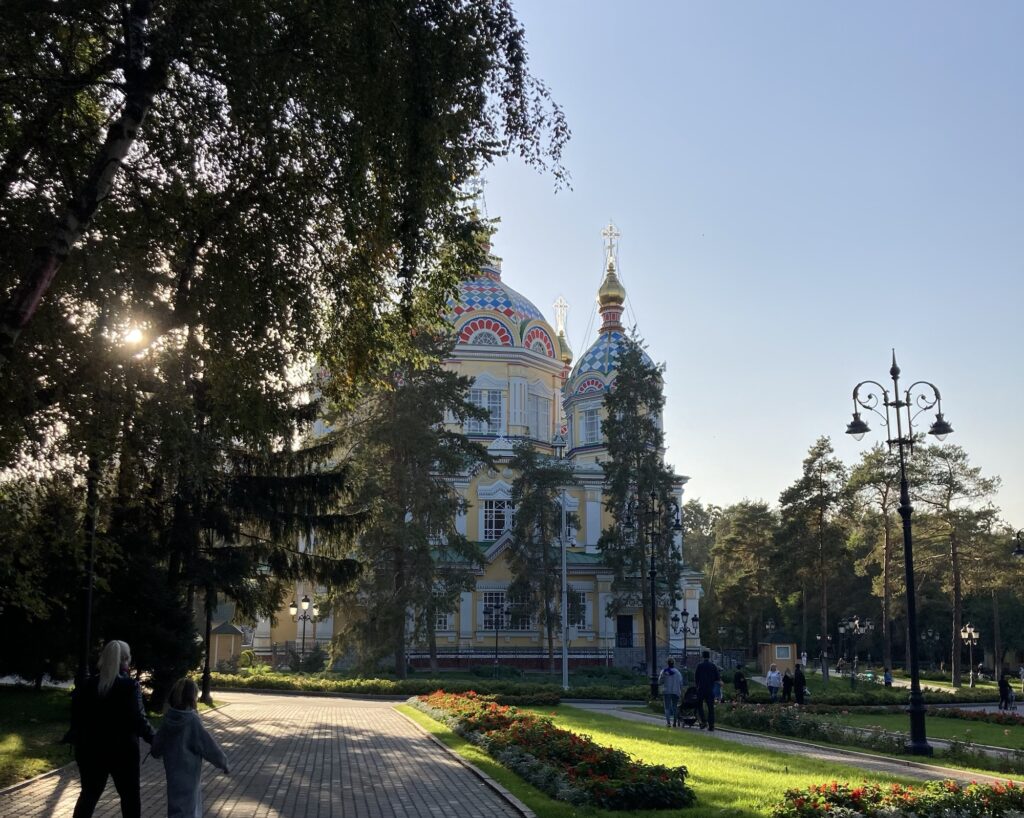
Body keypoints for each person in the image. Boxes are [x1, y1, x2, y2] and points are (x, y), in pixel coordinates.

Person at [69, 640, 154, 818]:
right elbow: (139, 720)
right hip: (123, 751)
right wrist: (155, 740)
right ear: (126, 659)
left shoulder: (89, 684)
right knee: (130, 797)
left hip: (91, 750)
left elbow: (78, 717)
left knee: (88, 795)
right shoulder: (130, 686)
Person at [152, 678, 229, 817]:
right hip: (189, 775)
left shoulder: (168, 719)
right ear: (192, 697)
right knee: (189, 809)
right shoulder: (192, 721)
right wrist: (223, 762)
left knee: (175, 807)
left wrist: (155, 751)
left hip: (172, 774)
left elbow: (157, 746)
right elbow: (208, 746)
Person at [694, 650, 720, 731]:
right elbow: (717, 678)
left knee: (699, 706)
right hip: (710, 689)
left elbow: (696, 678)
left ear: (702, 657)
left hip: (701, 689)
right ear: (709, 657)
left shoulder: (699, 666)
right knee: (710, 708)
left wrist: (697, 686)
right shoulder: (713, 666)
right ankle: (711, 726)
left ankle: (704, 721)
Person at [657, 658, 683, 727]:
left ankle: (668, 723)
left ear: (667, 663)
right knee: (675, 707)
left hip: (667, 691)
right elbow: (681, 683)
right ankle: (674, 722)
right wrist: (681, 691)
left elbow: (660, 681)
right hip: (676, 691)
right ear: (674, 663)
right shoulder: (678, 672)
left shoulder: (664, 671)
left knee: (667, 707)